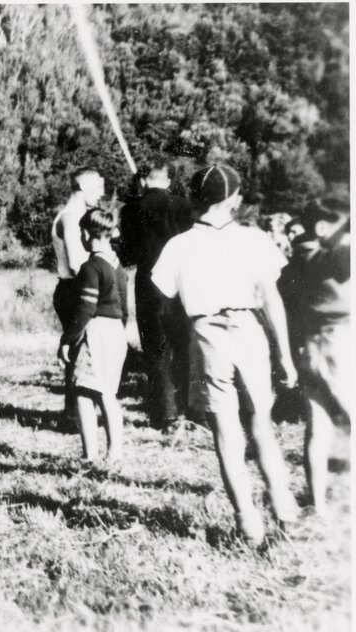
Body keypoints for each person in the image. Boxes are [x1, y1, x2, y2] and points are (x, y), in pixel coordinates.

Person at [150, 163, 300, 545]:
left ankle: (246, 521)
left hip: (203, 333)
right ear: (234, 200)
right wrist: (285, 354)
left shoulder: (178, 245)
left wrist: (185, 350)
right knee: (260, 425)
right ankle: (283, 506)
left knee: (225, 432)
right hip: (248, 329)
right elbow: (272, 301)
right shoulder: (252, 240)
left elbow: (164, 308)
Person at [279, 197, 350, 518]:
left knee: (316, 428)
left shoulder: (293, 263)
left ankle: (317, 504)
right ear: (322, 228)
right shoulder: (329, 259)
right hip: (337, 343)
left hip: (308, 347)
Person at [117, 161, 193, 432]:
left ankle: (166, 413)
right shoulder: (183, 206)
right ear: (169, 181)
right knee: (184, 345)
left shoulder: (131, 209)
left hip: (149, 284)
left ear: (143, 181)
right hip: (180, 282)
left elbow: (128, 256)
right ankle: (193, 410)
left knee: (156, 348)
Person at [58, 208, 128, 462]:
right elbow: (125, 308)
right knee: (108, 392)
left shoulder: (90, 267)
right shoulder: (119, 267)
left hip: (96, 331)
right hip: (117, 330)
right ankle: (115, 453)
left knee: (83, 392)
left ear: (87, 234)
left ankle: (90, 455)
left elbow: (86, 307)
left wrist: (67, 339)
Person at [51, 167, 105, 421]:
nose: (101, 194)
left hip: (73, 288)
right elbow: (75, 262)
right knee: (78, 353)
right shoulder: (72, 217)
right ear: (82, 186)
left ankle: (75, 413)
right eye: (97, 188)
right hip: (74, 288)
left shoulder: (74, 215)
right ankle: (75, 415)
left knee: (78, 352)